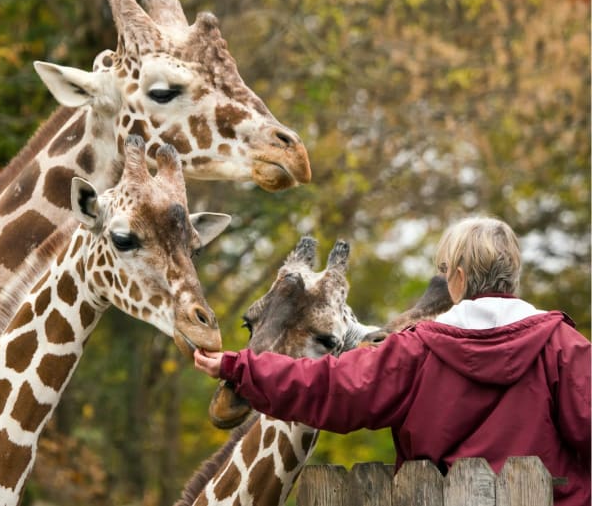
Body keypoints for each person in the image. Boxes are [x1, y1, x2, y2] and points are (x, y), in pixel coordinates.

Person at [194, 216, 591, 506]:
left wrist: (237, 366)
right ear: (513, 275)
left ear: (456, 277)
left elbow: (330, 387)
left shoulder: (417, 351)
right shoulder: (563, 347)